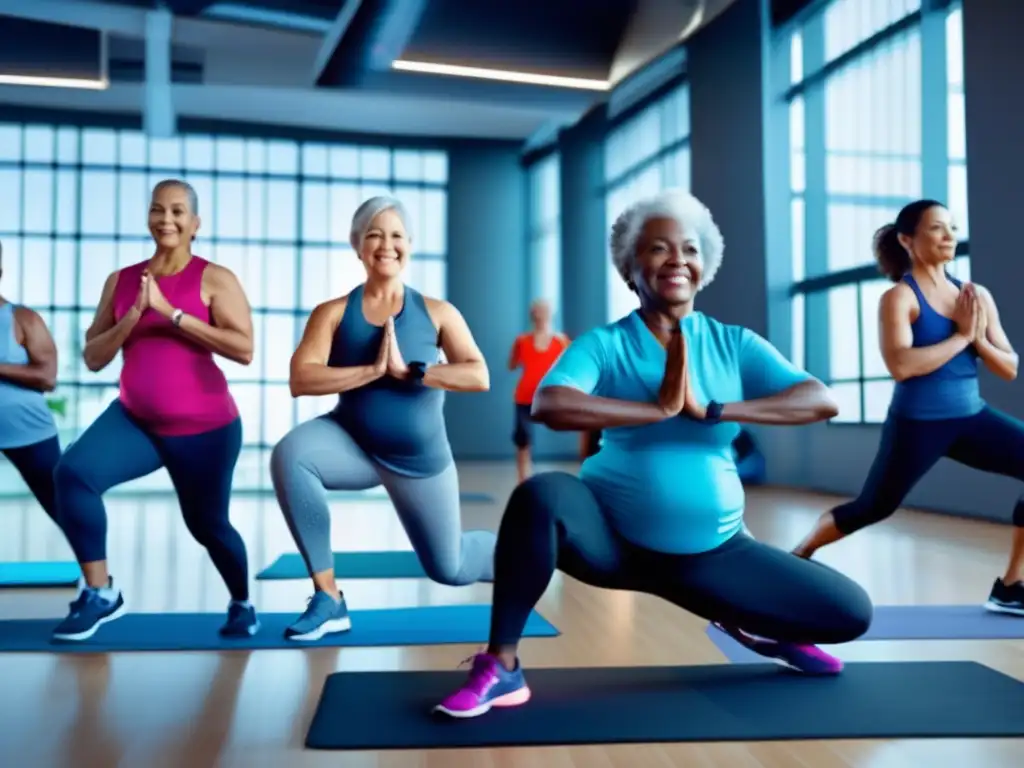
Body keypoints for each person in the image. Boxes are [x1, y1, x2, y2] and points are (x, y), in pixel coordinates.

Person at [433, 190, 873, 719]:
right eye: (658, 249)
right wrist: (658, 409)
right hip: (612, 543)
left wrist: (712, 409)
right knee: (541, 494)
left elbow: (820, 399)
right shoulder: (606, 344)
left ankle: (752, 621)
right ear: (630, 267)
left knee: (850, 612)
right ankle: (501, 666)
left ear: (703, 265)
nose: (676, 260)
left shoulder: (733, 343)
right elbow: (550, 402)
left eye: (688, 249)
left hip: (714, 554)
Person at [270, 196, 497, 642]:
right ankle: (328, 598)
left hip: (419, 460)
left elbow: (478, 374)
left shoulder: (437, 312)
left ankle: (519, 554)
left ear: (409, 245)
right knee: (290, 457)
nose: (385, 244)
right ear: (357, 246)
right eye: (374, 234)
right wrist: (370, 372)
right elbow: (302, 377)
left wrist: (410, 371)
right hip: (350, 444)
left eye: (396, 235)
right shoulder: (332, 313)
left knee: (449, 568)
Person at [792, 199, 1024, 616]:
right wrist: (961, 338)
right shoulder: (899, 298)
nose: (949, 236)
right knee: (873, 507)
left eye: (952, 227)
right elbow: (901, 366)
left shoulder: (975, 296)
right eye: (937, 228)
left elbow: (1009, 367)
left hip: (971, 418)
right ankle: (795, 559)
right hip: (918, 425)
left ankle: (1011, 586)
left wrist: (978, 339)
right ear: (907, 240)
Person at [50, 179, 257, 642]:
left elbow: (244, 350)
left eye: (179, 211)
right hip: (134, 420)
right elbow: (93, 355)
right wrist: (133, 316)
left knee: (208, 526)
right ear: (148, 217)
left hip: (205, 428)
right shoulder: (122, 281)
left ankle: (242, 601)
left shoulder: (215, 278)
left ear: (195, 223)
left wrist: (172, 314)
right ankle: (101, 593)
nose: (167, 219)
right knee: (73, 474)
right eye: (158, 209)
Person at [0, 241, 62, 533]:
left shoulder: (23, 319)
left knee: (63, 506)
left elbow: (47, 377)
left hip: (29, 431)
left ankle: (99, 576)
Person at [508, 300, 569, 482]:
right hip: (525, 396)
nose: (540, 315)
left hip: (551, 397)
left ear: (551, 313)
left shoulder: (561, 342)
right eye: (536, 311)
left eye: (543, 311)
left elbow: (570, 366)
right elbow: (512, 365)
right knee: (523, 440)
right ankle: (523, 481)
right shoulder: (522, 341)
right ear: (532, 314)